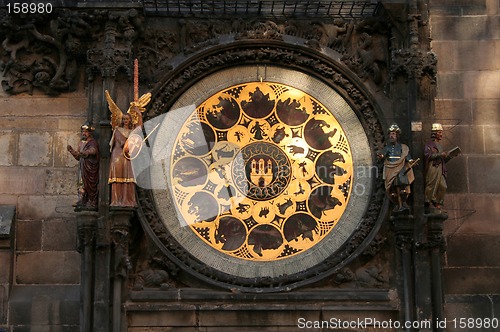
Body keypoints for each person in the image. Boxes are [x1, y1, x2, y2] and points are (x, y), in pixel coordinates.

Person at [106, 90, 151, 207]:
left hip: (128, 156)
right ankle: (116, 200)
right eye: (124, 119)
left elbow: (139, 128)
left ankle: (128, 200)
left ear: (131, 120)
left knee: (129, 178)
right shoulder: (117, 130)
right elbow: (121, 143)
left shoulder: (132, 132)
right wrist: (131, 143)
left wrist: (139, 114)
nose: (125, 121)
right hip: (118, 155)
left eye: (127, 119)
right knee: (117, 177)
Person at [377, 124, 415, 213]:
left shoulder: (402, 147)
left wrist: (410, 160)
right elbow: (383, 154)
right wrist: (381, 155)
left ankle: (403, 202)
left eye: (393, 134)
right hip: (391, 168)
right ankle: (397, 203)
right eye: (390, 134)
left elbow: (406, 155)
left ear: (397, 135)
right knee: (393, 187)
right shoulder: (387, 148)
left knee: (402, 185)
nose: (391, 136)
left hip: (400, 168)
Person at [424, 123, 458, 213]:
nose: (441, 134)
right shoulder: (429, 144)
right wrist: (440, 154)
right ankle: (429, 201)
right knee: (431, 184)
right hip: (433, 167)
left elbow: (442, 160)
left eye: (441, 132)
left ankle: (438, 203)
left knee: (443, 186)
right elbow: (427, 155)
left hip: (440, 167)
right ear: (434, 133)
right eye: (439, 132)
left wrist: (450, 156)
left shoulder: (440, 146)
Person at [67, 123, 99, 208]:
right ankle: (81, 200)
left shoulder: (92, 142)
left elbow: (94, 150)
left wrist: (86, 152)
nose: (84, 133)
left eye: (86, 132)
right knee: (81, 184)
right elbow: (78, 156)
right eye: (82, 131)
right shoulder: (81, 143)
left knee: (89, 184)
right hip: (82, 166)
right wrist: (72, 151)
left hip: (89, 167)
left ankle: (91, 201)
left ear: (89, 133)